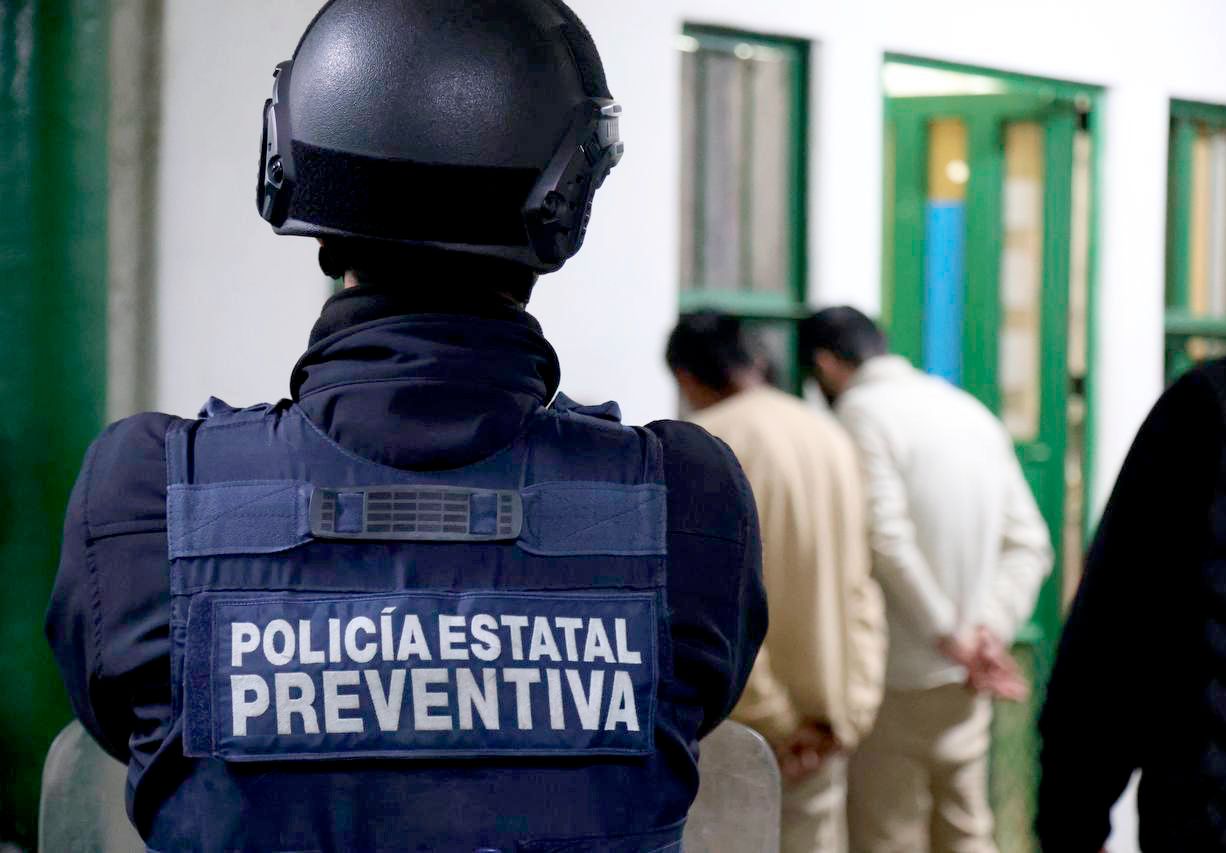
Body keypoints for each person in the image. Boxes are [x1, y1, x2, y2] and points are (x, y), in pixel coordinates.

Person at [44, 2, 768, 850]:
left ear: (296, 172)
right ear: (565, 203)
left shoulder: (145, 500)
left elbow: (119, 721)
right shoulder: (686, 505)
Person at [799, 306, 1052, 853]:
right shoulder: (968, 411)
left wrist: (950, 634)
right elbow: (1030, 543)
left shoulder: (861, 414)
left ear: (825, 364)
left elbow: (886, 539)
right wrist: (988, 632)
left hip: (896, 672)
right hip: (968, 675)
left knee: (887, 837)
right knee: (967, 833)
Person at [1038, 304, 1226, 851]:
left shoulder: (1212, 409)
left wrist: (1072, 821)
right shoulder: (1210, 414)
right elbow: (1115, 637)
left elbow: (1110, 644)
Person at [666, 312, 888, 853]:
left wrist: (778, 720)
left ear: (686, 377)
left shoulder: (705, 444)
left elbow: (714, 607)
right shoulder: (829, 434)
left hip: (739, 729)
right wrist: (847, 714)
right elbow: (861, 587)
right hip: (826, 729)